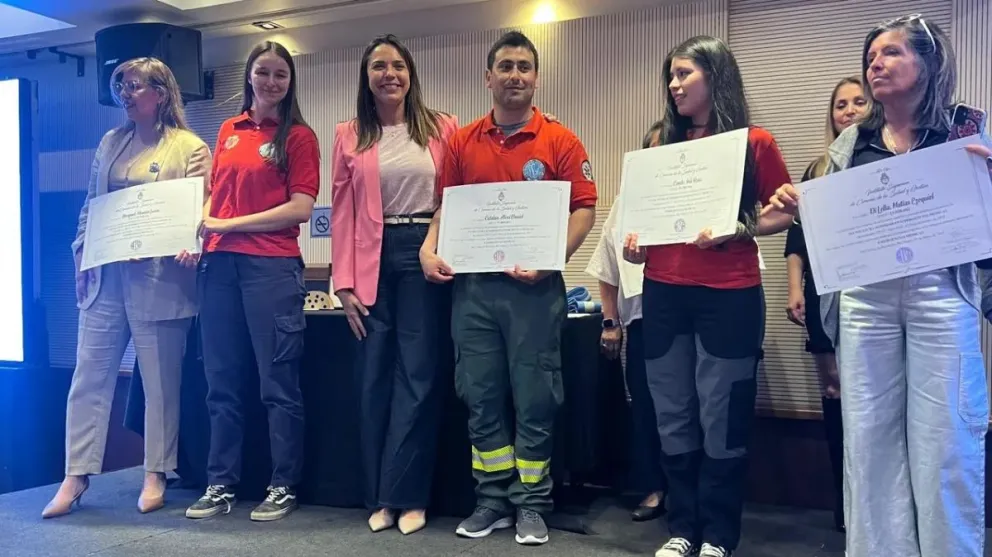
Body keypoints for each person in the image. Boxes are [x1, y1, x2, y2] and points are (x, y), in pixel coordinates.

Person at [766, 15, 992, 557]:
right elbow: (823, 228)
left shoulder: (967, 128)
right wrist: (797, 206)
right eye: (871, 56)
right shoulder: (851, 143)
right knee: (869, 441)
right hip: (866, 301)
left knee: (947, 443)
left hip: (941, 294)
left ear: (929, 63)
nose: (875, 63)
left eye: (890, 53)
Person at [419, 30, 597, 546]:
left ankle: (533, 503)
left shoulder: (560, 140)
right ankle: (491, 498)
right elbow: (446, 209)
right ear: (488, 76)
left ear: (535, 77)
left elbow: (584, 207)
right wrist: (428, 249)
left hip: (534, 294)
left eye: (524, 66)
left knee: (536, 397)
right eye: (506, 66)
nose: (515, 75)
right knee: (480, 395)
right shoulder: (462, 141)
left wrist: (552, 257)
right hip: (473, 292)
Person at [622, 35, 794, 557]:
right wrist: (634, 247)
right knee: (672, 411)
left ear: (716, 76)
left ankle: (719, 534)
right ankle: (682, 528)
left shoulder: (754, 142)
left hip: (730, 295)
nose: (674, 86)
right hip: (665, 293)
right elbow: (642, 226)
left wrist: (737, 229)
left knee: (722, 415)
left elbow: (784, 210)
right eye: (670, 77)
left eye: (684, 74)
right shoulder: (659, 148)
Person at [43, 57, 209, 518]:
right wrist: (82, 254)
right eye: (121, 88)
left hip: (161, 281)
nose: (126, 96)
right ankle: (75, 474)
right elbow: (91, 206)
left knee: (161, 384)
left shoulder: (190, 147)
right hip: (107, 277)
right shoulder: (110, 142)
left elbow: (195, 215)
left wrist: (180, 240)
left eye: (134, 86)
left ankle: (156, 471)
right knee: (88, 378)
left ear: (161, 91)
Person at [185, 41, 320, 522]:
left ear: (290, 82)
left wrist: (227, 225)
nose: (271, 82)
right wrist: (202, 224)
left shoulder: (298, 136)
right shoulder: (227, 130)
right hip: (219, 267)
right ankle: (220, 483)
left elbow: (300, 209)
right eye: (263, 72)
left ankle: (283, 484)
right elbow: (214, 197)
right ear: (249, 76)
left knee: (277, 384)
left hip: (271, 267)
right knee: (220, 381)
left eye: (280, 74)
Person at [331, 34, 459, 535]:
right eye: (379, 66)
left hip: (422, 253)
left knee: (419, 379)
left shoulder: (441, 127)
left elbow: (453, 195)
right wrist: (342, 283)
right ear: (366, 76)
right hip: (369, 262)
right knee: (373, 380)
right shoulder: (349, 134)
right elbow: (341, 214)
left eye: (398, 66)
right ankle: (380, 497)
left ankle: (410, 497)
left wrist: (431, 244)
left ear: (411, 75)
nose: (390, 74)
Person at [783, 76, 868, 534]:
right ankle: (842, 505)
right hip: (823, 294)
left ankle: (869, 503)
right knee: (834, 389)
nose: (849, 111)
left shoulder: (882, 161)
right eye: (841, 105)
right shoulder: (817, 169)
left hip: (872, 296)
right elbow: (798, 238)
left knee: (869, 392)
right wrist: (796, 288)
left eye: (858, 102)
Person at [585, 121, 668, 523]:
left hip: (689, 319)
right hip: (641, 321)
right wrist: (610, 322)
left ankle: (689, 488)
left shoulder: (699, 194)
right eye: (650, 150)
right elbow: (606, 268)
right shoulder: (626, 202)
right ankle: (654, 486)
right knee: (647, 406)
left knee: (688, 407)